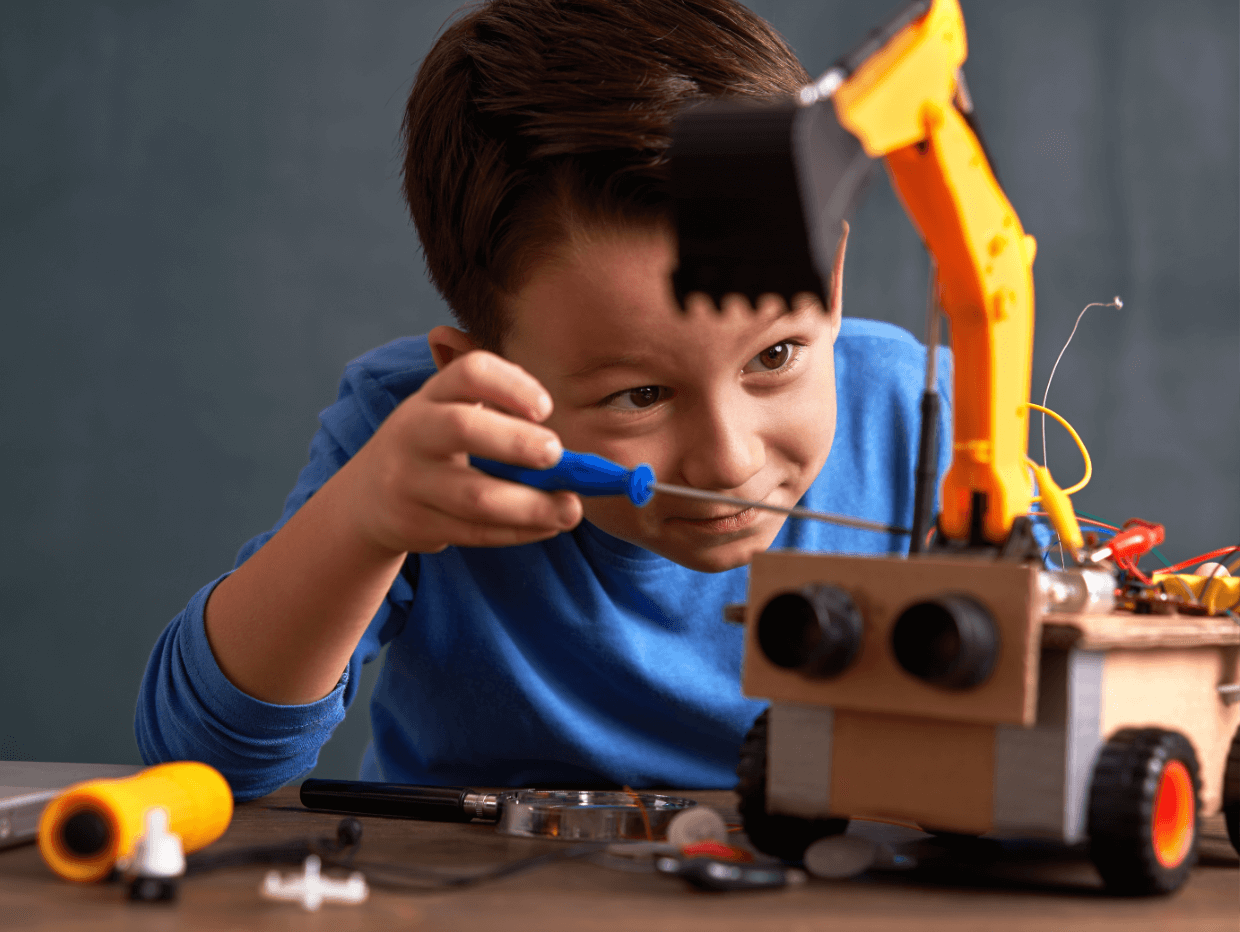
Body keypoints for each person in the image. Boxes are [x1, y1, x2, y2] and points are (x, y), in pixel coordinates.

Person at [135, 0, 951, 802]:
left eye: (775, 356)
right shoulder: (424, 445)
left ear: (831, 286)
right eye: (639, 396)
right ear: (483, 378)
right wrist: (359, 524)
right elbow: (206, 762)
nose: (730, 458)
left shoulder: (938, 424)